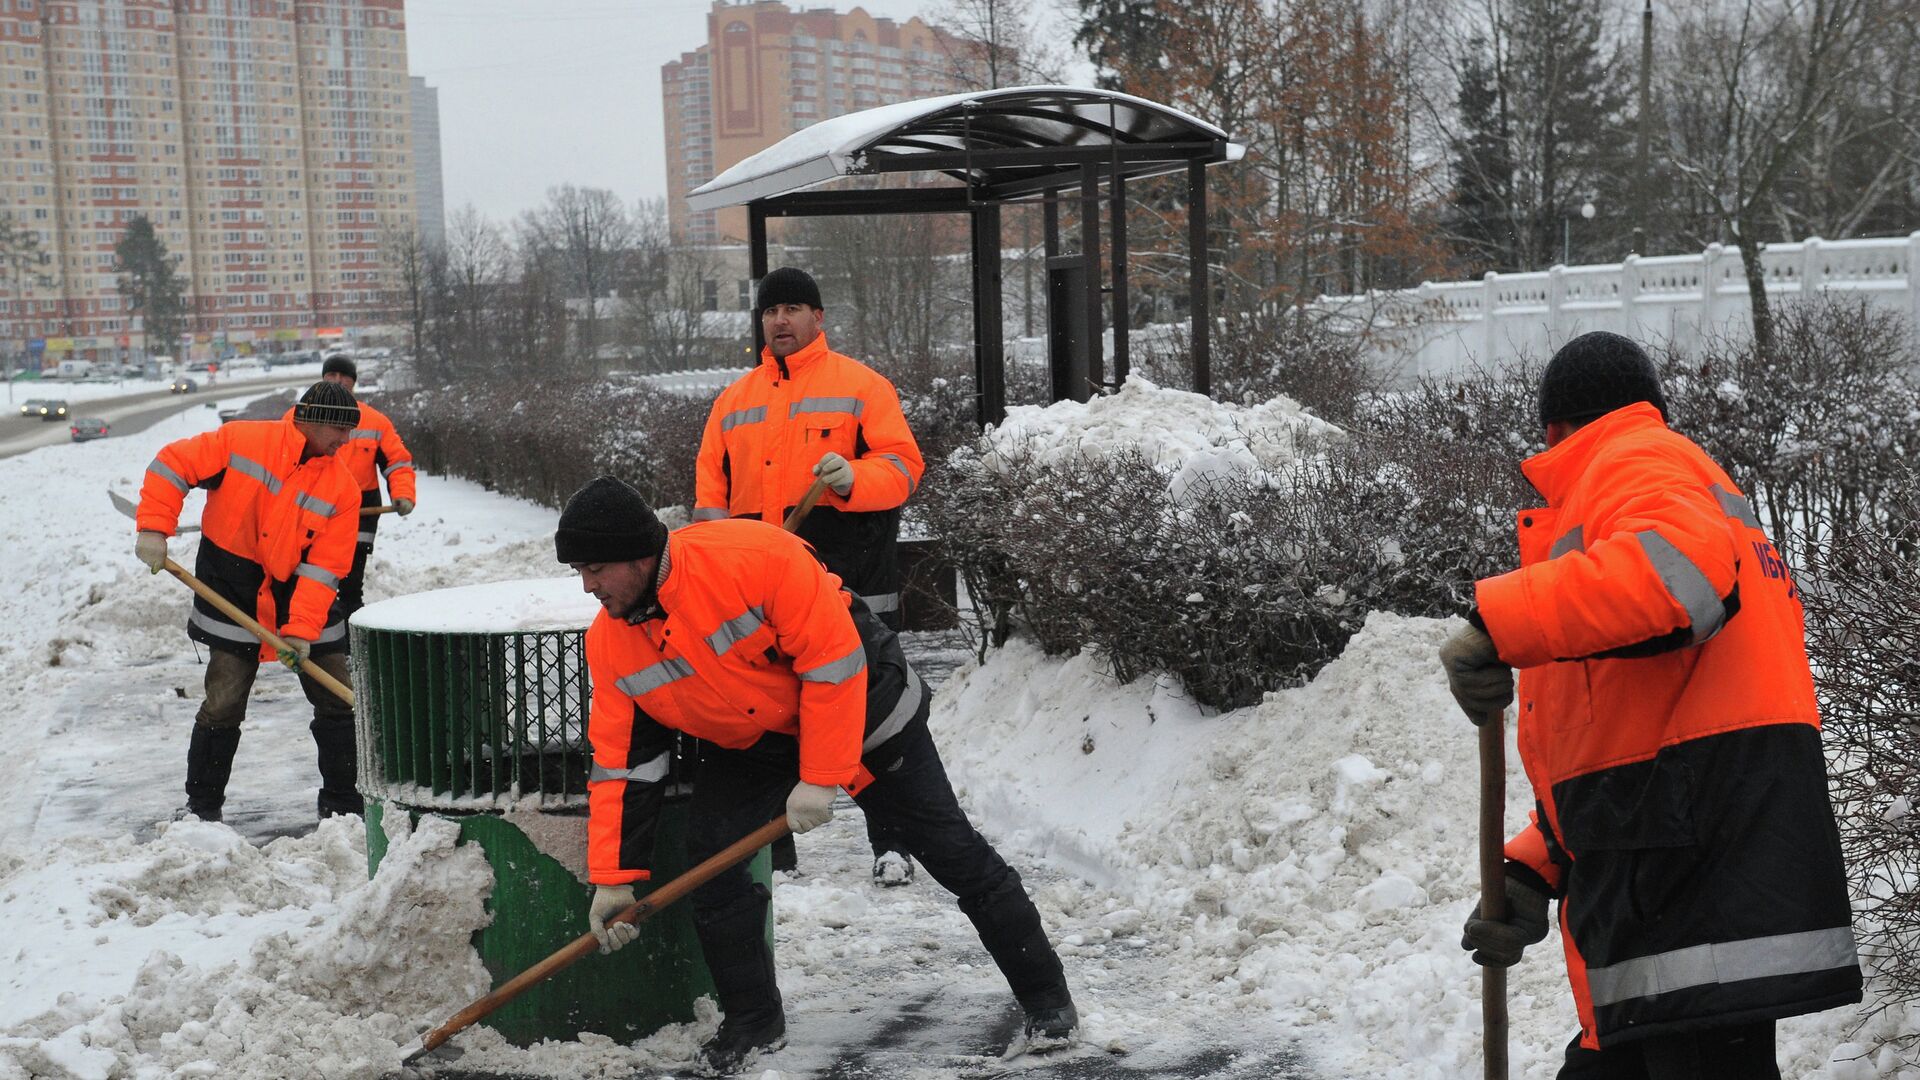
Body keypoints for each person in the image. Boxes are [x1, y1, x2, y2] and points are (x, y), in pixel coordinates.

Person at [1439, 331, 1861, 1078]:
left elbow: (1680, 581)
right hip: (1675, 879)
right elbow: (1635, 726)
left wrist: (1500, 622)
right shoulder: (1670, 479)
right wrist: (1540, 868)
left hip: (1690, 897)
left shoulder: (1635, 460)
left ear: (1556, 428)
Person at [559, 475, 1075, 1076]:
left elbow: (833, 665)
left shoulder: (756, 558)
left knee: (950, 849)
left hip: (866, 705)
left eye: (596, 568)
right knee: (714, 861)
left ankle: (1047, 1000)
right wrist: (615, 878)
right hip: (754, 737)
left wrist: (822, 774)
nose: (589, 586)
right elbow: (625, 764)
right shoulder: (612, 644)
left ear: (640, 555)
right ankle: (753, 1021)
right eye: (579, 572)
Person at [693, 266, 926, 886]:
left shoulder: (861, 387)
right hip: (766, 590)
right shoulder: (733, 402)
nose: (780, 320)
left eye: (794, 308)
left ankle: (893, 840)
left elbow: (904, 466)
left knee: (874, 718)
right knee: (774, 710)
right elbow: (709, 504)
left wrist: (853, 479)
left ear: (818, 318)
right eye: (771, 311)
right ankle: (777, 846)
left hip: (851, 581)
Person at [135, 380, 366, 822]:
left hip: (301, 596)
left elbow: (322, 572)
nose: (345, 441)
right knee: (223, 702)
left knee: (338, 698)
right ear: (312, 420)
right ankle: (203, 808)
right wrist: (153, 527)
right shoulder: (242, 441)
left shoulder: (342, 489)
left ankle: (343, 803)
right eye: (340, 430)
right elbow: (171, 464)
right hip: (230, 589)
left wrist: (300, 632)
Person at [280, 353, 416, 617]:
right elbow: (279, 459)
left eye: (344, 376)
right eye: (332, 375)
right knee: (308, 573)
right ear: (323, 377)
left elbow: (397, 462)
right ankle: (305, 622)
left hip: (360, 510)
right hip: (311, 505)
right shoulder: (297, 416)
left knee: (351, 576)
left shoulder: (376, 421)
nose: (338, 380)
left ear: (353, 382)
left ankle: (350, 627)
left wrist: (403, 493)